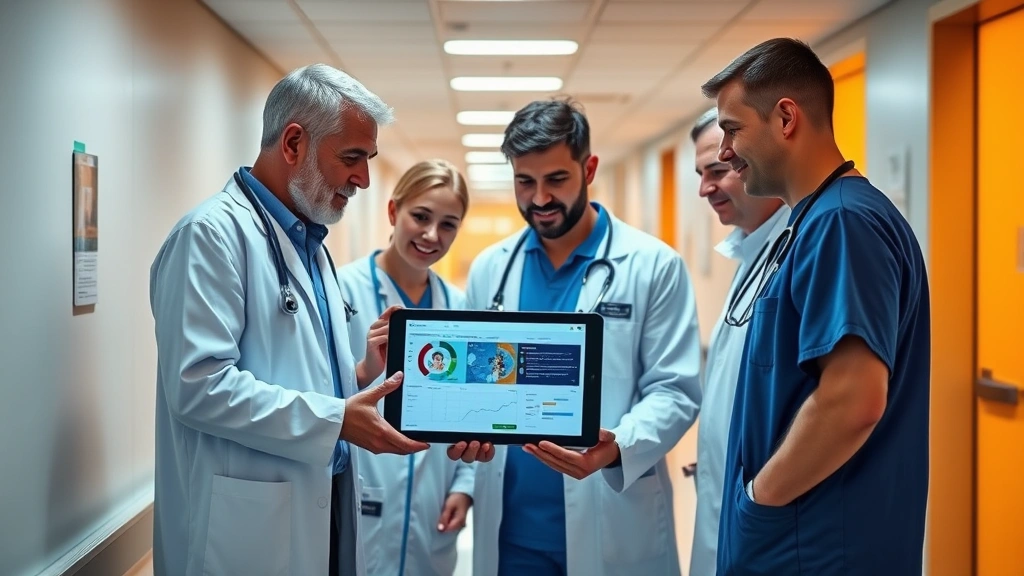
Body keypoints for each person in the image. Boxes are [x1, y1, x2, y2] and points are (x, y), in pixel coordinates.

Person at [149, 63, 429, 576]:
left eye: (368, 160)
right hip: (246, 533)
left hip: (324, 514)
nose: (363, 179)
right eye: (352, 158)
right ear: (294, 143)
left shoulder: (310, 242)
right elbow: (198, 386)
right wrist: (339, 419)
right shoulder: (210, 237)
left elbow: (294, 375)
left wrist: (362, 374)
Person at [700, 38, 930, 575]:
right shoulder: (815, 220)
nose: (725, 152)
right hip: (803, 536)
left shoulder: (843, 223)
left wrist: (760, 497)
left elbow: (853, 399)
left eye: (732, 130)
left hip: (818, 543)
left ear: (785, 118)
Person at [447, 99, 703, 576]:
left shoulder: (652, 265)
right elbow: (475, 383)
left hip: (611, 516)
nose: (540, 198)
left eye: (556, 180)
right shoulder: (491, 269)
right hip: (512, 529)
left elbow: (675, 389)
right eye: (525, 182)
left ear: (589, 168)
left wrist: (618, 445)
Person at [337, 159, 476, 576]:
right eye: (421, 216)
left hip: (433, 501)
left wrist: (465, 487)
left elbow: (474, 408)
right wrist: (364, 368)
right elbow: (317, 398)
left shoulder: (459, 306)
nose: (433, 235)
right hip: (360, 486)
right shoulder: (341, 290)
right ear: (394, 212)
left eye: (449, 224)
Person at [686, 107, 790, 576]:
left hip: (768, 517)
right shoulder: (752, 249)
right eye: (701, 174)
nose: (705, 188)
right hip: (736, 504)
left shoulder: (803, 244)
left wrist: (756, 496)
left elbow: (846, 403)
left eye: (719, 170)